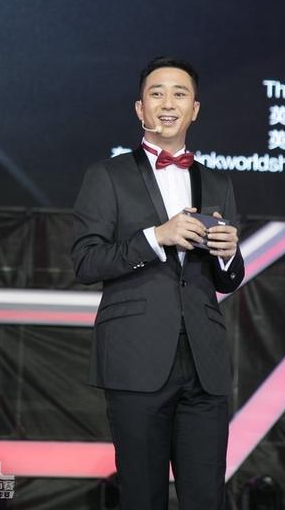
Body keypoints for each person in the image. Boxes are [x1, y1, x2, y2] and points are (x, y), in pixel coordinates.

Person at [71, 57, 245, 510]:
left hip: (204, 363)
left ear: (195, 109)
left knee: (206, 498)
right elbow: (85, 262)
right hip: (136, 358)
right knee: (142, 497)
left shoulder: (218, 182)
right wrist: (156, 237)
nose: (168, 103)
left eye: (180, 94)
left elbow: (228, 279)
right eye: (157, 93)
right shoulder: (107, 175)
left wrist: (228, 252)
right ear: (140, 108)